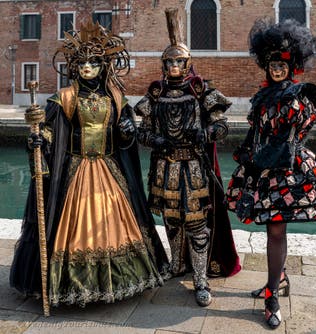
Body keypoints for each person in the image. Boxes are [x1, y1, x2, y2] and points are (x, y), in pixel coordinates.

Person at [10, 19, 170, 307]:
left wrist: (126, 132)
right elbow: (50, 131)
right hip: (76, 169)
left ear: (102, 66)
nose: (87, 68)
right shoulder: (65, 98)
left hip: (109, 170)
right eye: (82, 63)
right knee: (73, 224)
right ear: (74, 67)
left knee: (115, 222)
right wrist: (39, 139)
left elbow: (124, 138)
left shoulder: (116, 98)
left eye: (93, 63)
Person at [226, 17, 316, 329]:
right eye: (272, 65)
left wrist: (282, 144)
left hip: (288, 171)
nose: (277, 69)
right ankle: (279, 279)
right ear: (266, 66)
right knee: (270, 227)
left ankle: (272, 296)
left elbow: (299, 130)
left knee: (276, 230)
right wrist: (248, 159)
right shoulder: (262, 97)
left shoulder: (299, 95)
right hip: (262, 170)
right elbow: (256, 133)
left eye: (282, 65)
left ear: (292, 67)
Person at [135, 8, 241, 307]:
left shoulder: (200, 90)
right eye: (169, 61)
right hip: (164, 167)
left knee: (196, 223)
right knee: (171, 219)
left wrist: (205, 134)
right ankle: (176, 265)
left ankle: (201, 277)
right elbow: (143, 131)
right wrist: (154, 139)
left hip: (194, 167)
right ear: (163, 64)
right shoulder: (155, 94)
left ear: (187, 63)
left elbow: (221, 124)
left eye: (179, 61)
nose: (173, 66)